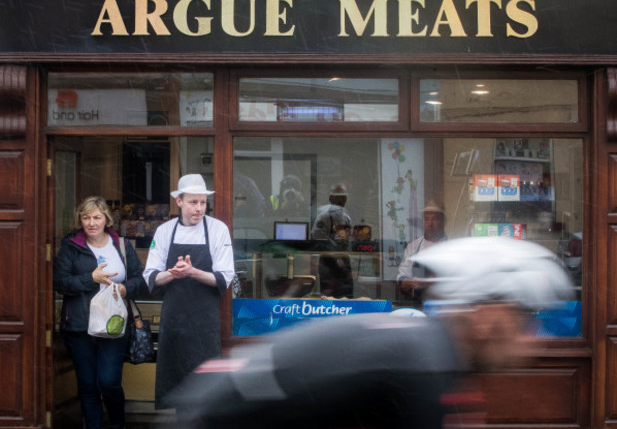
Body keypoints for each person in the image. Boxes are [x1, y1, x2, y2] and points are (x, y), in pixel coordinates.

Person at [170, 236, 574, 429]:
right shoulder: (422, 369)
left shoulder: (429, 353)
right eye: (523, 319)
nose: (533, 336)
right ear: (486, 315)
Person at [143, 174, 235, 411]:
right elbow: (151, 276)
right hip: (174, 322)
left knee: (206, 391)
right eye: (193, 202)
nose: (199, 208)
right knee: (178, 391)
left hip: (205, 323)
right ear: (179, 202)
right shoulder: (164, 231)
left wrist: (192, 272)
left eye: (203, 203)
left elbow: (224, 277)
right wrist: (173, 273)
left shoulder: (218, 230)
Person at [54, 196, 144, 429]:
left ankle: (117, 424)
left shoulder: (122, 246)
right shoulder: (71, 246)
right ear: (80, 220)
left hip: (114, 324)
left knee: (109, 382)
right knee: (87, 384)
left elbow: (139, 278)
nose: (91, 222)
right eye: (86, 217)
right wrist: (90, 279)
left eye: (96, 217)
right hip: (79, 325)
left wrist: (125, 288)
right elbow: (60, 283)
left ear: (106, 219)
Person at [397, 199, 447, 303]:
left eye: (435, 219)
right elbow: (402, 276)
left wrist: (430, 281)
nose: (430, 224)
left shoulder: (451, 248)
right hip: (417, 303)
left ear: (443, 222)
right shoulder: (413, 247)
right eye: (427, 219)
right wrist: (409, 283)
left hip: (442, 304)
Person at [311, 183, 353, 298]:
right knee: (328, 298)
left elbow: (348, 241)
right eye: (337, 196)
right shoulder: (323, 217)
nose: (341, 199)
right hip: (328, 263)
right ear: (330, 198)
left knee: (347, 298)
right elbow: (317, 240)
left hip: (344, 263)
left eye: (343, 196)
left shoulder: (347, 219)